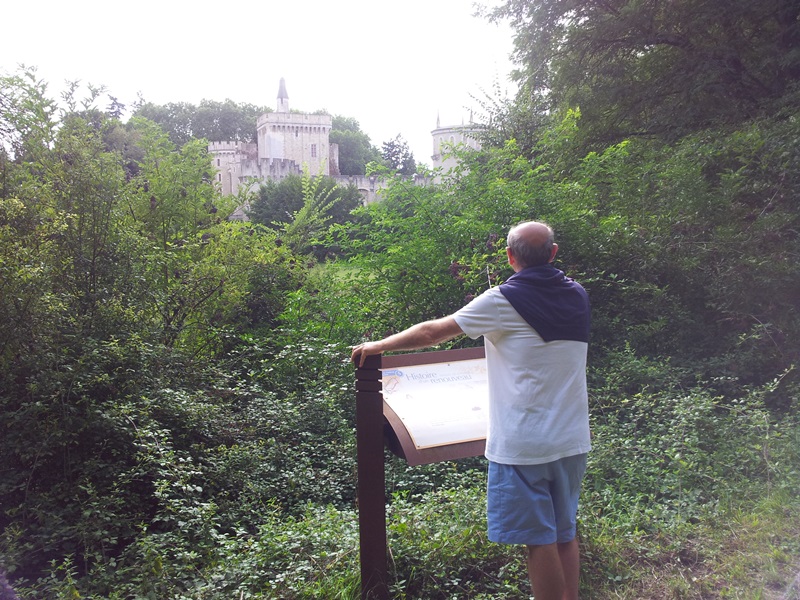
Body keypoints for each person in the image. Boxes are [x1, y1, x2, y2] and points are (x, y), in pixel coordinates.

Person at [351, 221, 591, 600]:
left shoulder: (503, 300)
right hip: (572, 440)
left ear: (510, 256)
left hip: (524, 445)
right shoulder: (577, 295)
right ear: (553, 253)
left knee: (539, 540)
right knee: (565, 533)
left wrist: (378, 345)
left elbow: (433, 332)